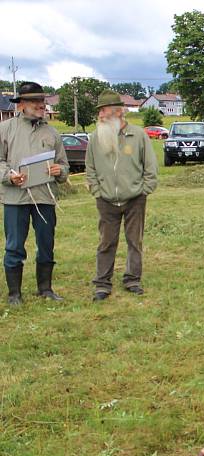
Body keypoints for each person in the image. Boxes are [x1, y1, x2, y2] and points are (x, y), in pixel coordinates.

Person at [0, 82, 70, 305]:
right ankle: (14, 295)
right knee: (14, 246)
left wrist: (60, 171)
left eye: (43, 101)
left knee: (46, 243)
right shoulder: (5, 128)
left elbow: (63, 165)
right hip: (15, 198)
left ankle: (45, 289)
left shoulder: (52, 132)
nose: (41, 105)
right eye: (35, 101)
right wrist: (9, 176)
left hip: (45, 197)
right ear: (21, 104)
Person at [85, 90, 157, 301]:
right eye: (99, 112)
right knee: (106, 242)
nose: (100, 116)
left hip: (135, 199)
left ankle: (132, 279)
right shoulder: (95, 138)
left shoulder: (138, 135)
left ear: (118, 113)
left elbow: (150, 166)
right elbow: (90, 169)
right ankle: (102, 283)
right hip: (106, 200)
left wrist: (145, 189)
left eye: (103, 111)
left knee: (135, 241)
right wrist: (97, 191)